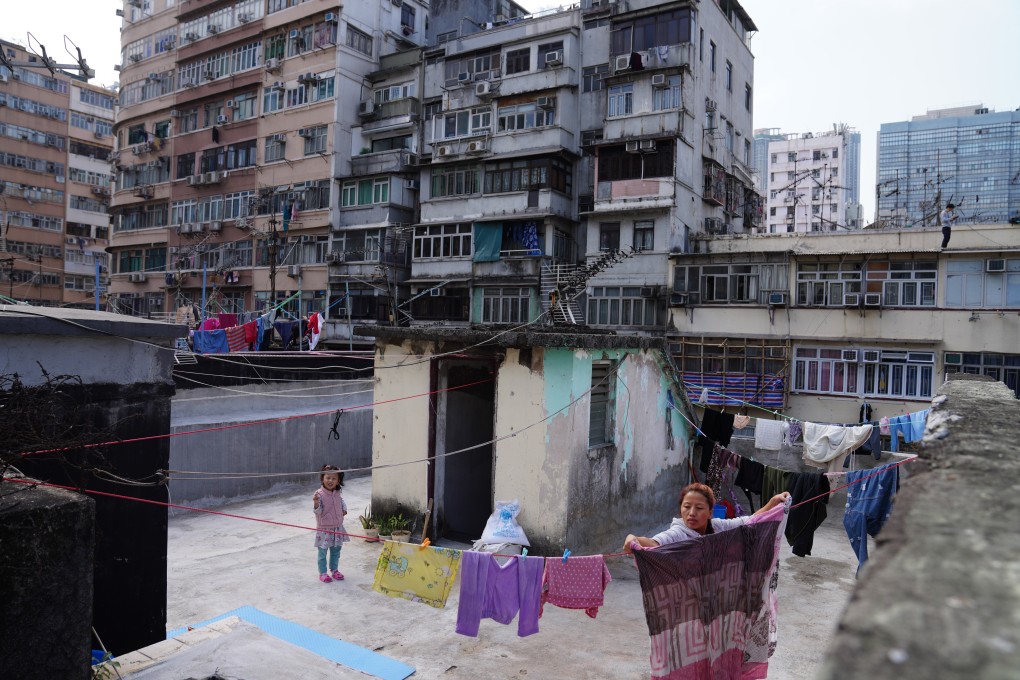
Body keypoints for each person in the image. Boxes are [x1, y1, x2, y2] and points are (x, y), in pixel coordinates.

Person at [623, 482, 790, 553]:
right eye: (686, 507)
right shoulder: (679, 533)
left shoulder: (718, 527)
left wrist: (772, 503)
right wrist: (634, 538)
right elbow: (655, 543)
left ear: (710, 512)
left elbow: (749, 521)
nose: (692, 513)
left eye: (699, 508)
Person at [313, 464, 349, 583]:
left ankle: (334, 570)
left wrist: (343, 508)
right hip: (325, 529)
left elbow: (340, 501)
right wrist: (316, 503)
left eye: (334, 478)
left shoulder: (337, 492)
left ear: (338, 481)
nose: (330, 481)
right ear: (322, 478)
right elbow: (317, 512)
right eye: (328, 478)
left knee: (336, 551)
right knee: (322, 553)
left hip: (337, 527)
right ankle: (323, 573)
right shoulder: (319, 494)